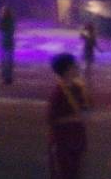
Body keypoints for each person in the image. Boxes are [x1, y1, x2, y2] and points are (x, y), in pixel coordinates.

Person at [46, 51, 90, 179]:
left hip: (77, 138)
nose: (78, 68)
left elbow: (86, 108)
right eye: (74, 66)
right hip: (62, 140)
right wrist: (74, 118)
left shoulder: (78, 88)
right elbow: (51, 118)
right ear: (66, 71)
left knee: (75, 171)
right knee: (63, 172)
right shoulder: (57, 93)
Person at [0, 2, 17, 84]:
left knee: (5, 62)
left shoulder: (3, 21)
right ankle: (8, 78)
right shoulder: (11, 20)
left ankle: (6, 78)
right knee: (8, 62)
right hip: (9, 43)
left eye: (2, 11)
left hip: (5, 43)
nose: (1, 13)